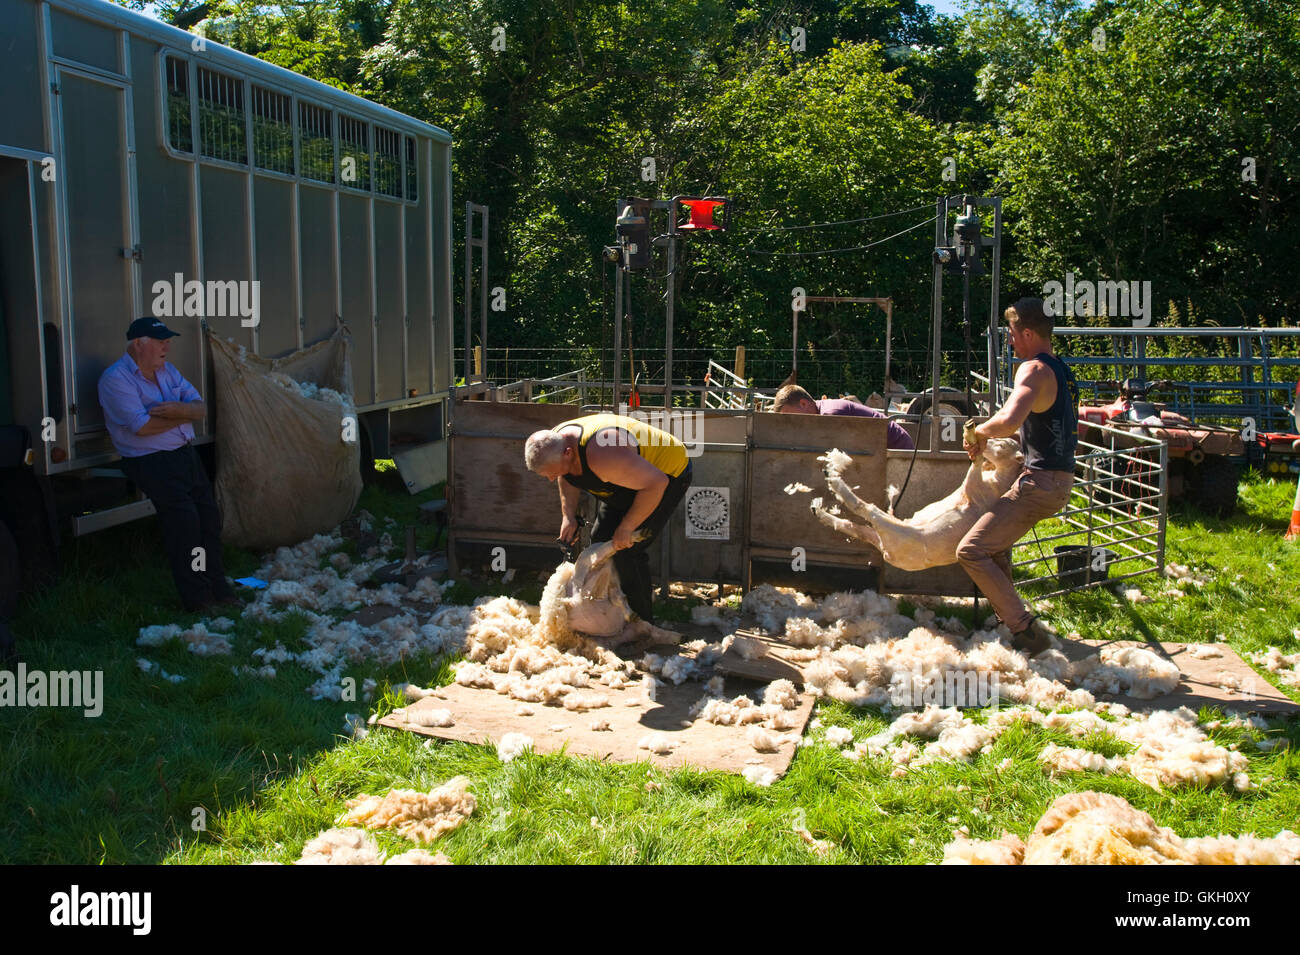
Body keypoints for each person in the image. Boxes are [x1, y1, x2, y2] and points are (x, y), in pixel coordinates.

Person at [956, 297, 1079, 655]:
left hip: (1040, 483)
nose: (1010, 341)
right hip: (1058, 479)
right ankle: (1008, 621)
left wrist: (979, 431)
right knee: (995, 548)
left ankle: (1026, 632)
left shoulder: (1034, 370)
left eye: (1011, 334)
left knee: (971, 550)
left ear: (1026, 332)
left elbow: (1009, 420)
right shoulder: (1061, 370)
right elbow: (1038, 425)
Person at [98, 317, 235, 613]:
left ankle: (218, 587)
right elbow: (142, 427)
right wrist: (184, 413)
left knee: (207, 521)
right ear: (138, 344)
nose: (167, 347)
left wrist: (179, 411)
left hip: (185, 455)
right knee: (185, 527)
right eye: (160, 341)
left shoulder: (168, 371)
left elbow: (201, 407)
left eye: (167, 341)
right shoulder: (116, 379)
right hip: (151, 462)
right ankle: (198, 599)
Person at [524, 413, 692, 624]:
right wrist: (568, 516)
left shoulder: (602, 454)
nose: (551, 478)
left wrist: (627, 526)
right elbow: (565, 476)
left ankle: (642, 625)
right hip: (627, 476)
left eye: (551, 472)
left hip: (664, 475)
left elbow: (656, 484)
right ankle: (608, 615)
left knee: (627, 550)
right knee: (599, 545)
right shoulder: (556, 443)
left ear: (568, 453)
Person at [773, 383, 916, 450]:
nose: (791, 424)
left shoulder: (830, 415)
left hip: (895, 449)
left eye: (790, 416)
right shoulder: (821, 411)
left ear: (803, 403)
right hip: (878, 449)